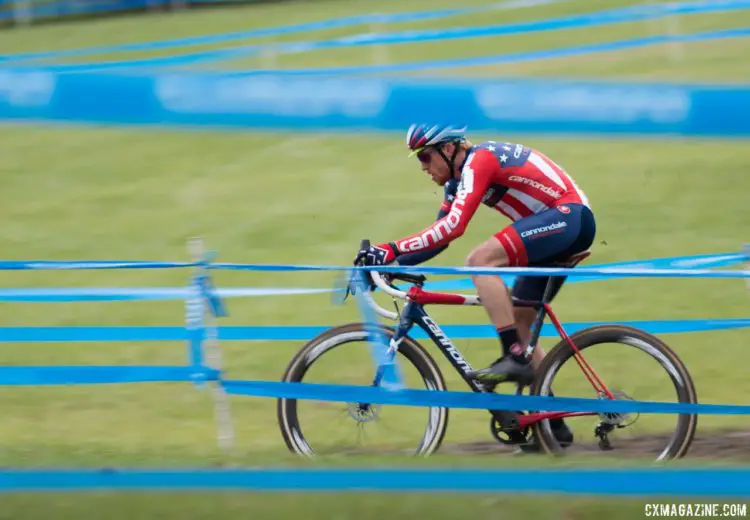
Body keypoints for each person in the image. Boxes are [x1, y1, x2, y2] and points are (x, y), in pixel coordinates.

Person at [354, 124, 596, 451]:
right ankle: (553, 426)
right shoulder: (458, 178)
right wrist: (393, 266)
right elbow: (440, 233)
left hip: (568, 217)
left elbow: (454, 227)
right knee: (521, 317)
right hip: (561, 224)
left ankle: (514, 358)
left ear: (449, 149)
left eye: (425, 156)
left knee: (480, 261)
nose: (423, 167)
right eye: (418, 160)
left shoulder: (480, 160)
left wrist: (391, 248)